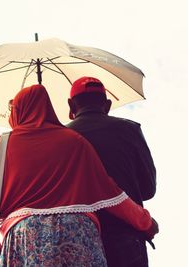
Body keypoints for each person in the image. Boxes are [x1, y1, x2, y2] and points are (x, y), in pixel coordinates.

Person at [0, 84, 158, 266]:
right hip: (77, 234)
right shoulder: (74, 141)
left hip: (24, 239)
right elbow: (108, 191)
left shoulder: (2, 146)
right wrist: (145, 222)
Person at [66, 76, 157, 267]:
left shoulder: (63, 137)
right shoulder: (130, 129)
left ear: (70, 106)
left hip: (79, 237)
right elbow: (148, 189)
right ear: (107, 105)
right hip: (128, 236)